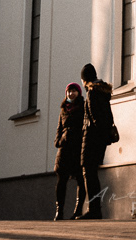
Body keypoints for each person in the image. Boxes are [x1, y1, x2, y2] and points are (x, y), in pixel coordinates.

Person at [78, 63, 116, 219]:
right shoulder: (102, 92)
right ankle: (95, 209)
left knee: (89, 172)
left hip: (92, 138)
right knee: (92, 172)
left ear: (85, 79)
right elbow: (107, 116)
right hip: (100, 138)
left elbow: (94, 118)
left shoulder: (92, 93)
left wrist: (93, 134)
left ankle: (94, 209)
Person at [53, 82, 85, 219]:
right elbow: (59, 127)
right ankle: (59, 211)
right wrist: (58, 141)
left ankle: (78, 210)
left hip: (77, 147)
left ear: (78, 93)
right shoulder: (63, 109)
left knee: (80, 179)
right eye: (69, 91)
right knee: (61, 179)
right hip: (64, 148)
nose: (71, 94)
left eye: (74, 91)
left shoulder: (83, 107)